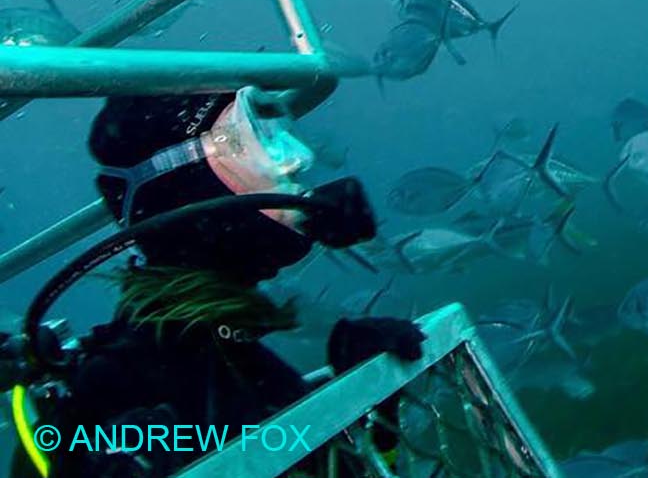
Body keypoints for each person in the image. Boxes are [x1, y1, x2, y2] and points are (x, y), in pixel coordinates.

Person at [8, 90, 424, 478]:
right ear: (186, 194)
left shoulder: (228, 347)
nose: (295, 160)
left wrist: (371, 410)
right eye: (251, 141)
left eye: (277, 134)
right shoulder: (123, 382)